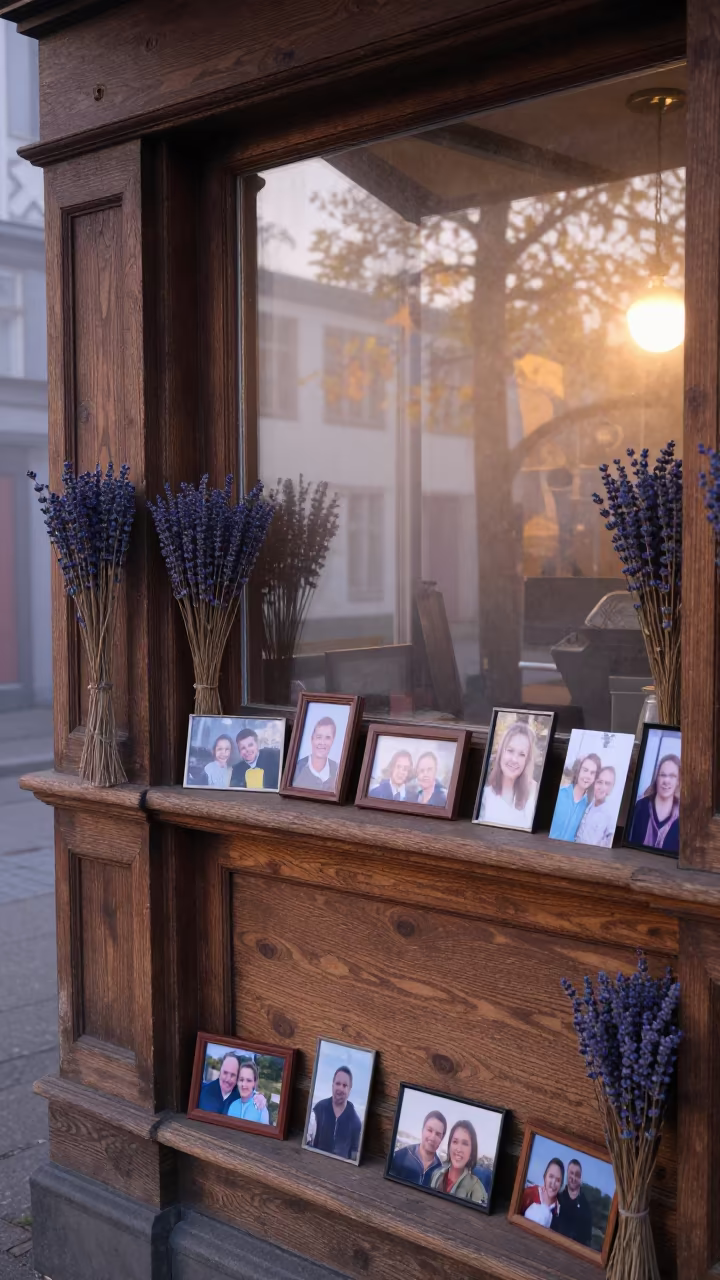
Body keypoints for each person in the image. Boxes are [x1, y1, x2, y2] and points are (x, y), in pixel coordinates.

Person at [479, 722, 538, 829]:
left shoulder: (534, 794)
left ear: (527, 760)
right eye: (510, 751)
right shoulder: (485, 795)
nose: (514, 759)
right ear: (501, 752)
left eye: (522, 754)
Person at [626, 753, 680, 853]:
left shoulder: (684, 817)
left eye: (672, 776)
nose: (666, 780)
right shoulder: (640, 807)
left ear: (678, 781)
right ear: (657, 778)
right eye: (663, 775)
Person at [306, 1066, 362, 1160]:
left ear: (350, 1090)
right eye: (338, 1083)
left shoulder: (355, 1122)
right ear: (333, 1085)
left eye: (345, 1085)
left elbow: (354, 1155)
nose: (340, 1088)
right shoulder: (318, 1109)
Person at [429, 1120, 488, 1204]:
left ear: (472, 1152)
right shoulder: (436, 1174)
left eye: (465, 1143)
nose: (459, 1149)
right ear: (449, 1146)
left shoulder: (476, 1189)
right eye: (455, 1142)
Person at [549, 754, 601, 841]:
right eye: (585, 770)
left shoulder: (588, 808)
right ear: (578, 771)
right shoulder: (559, 794)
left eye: (592, 773)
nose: (588, 776)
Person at [390, 1110, 447, 1186]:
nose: (433, 1137)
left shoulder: (440, 1172)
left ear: (441, 1139)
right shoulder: (399, 1157)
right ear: (422, 1130)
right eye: (429, 1130)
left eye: (438, 1134)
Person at [552, 1158, 593, 1248]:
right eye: (571, 1173)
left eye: (577, 1175)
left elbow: (587, 1242)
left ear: (580, 1177)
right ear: (567, 1173)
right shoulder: (557, 1198)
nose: (574, 1178)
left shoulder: (586, 1208)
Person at [293, 716, 339, 792]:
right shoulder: (297, 768)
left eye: (327, 738)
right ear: (312, 739)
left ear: (332, 741)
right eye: (319, 737)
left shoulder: (337, 770)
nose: (322, 742)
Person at [575, 765, 617, 848]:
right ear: (594, 783)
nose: (602, 787)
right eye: (599, 782)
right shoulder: (588, 806)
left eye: (607, 783)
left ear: (612, 788)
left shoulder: (611, 816)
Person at [519, 1157, 564, 1227]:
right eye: (551, 1176)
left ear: (561, 1185)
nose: (553, 1182)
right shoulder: (529, 1193)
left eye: (558, 1180)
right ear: (544, 1177)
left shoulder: (558, 1211)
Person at [226, 1060, 270, 1124]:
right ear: (237, 1082)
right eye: (241, 1080)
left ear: (254, 1083)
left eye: (249, 1080)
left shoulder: (260, 1107)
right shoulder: (232, 1106)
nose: (244, 1084)